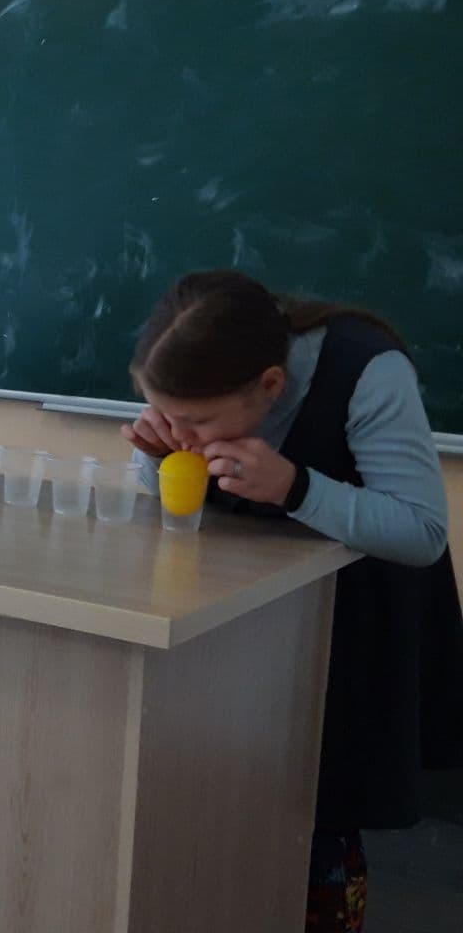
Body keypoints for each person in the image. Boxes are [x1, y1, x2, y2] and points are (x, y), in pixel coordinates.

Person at [122, 269, 463, 932]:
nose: (184, 432)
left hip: (355, 622)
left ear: (271, 387)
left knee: (321, 810)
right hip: (247, 616)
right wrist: (156, 458)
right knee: (236, 793)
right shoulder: (196, 372)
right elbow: (168, 478)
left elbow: (421, 531)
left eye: (197, 422)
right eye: (167, 415)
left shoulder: (368, 369)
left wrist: (295, 486)